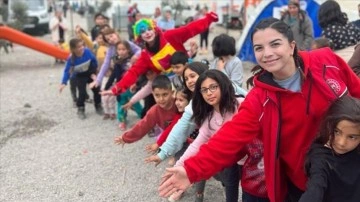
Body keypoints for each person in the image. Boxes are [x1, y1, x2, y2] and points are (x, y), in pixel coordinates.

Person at [158, 17, 360, 202]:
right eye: (259, 48)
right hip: (306, 182)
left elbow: (356, 94)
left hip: (352, 168)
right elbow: (227, 139)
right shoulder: (258, 100)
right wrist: (191, 170)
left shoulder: (326, 62)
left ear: (292, 46)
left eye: (275, 44)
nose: (267, 53)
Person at [100, 12, 218, 96]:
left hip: (191, 75)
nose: (147, 33)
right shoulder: (145, 56)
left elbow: (190, 29)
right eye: (142, 32)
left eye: (148, 29)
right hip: (173, 86)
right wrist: (116, 88)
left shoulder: (169, 36)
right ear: (139, 37)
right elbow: (133, 72)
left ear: (154, 29)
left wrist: (209, 18)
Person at [298, 96, 360, 202]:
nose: (341, 143)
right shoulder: (321, 157)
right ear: (328, 125)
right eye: (336, 132)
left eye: (352, 137)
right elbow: (316, 188)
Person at [113, 75, 178, 145]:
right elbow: (142, 126)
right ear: (153, 94)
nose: (161, 99)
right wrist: (125, 138)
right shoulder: (154, 111)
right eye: (157, 95)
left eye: (165, 94)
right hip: (169, 139)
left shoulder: (179, 103)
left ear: (172, 92)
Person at [144, 87, 191, 166]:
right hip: (186, 142)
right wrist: (159, 144)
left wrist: (158, 145)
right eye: (176, 99)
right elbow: (171, 129)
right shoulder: (180, 115)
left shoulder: (197, 115)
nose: (177, 103)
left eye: (181, 100)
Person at [103, 40, 143, 129]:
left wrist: (137, 84)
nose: (121, 51)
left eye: (124, 49)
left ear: (128, 49)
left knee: (135, 103)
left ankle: (143, 117)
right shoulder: (116, 61)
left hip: (132, 87)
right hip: (120, 88)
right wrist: (107, 87)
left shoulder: (133, 59)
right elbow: (113, 75)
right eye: (119, 49)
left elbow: (138, 73)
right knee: (121, 104)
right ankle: (122, 120)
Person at [59, 38, 103, 119]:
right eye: (79, 47)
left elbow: (94, 60)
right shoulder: (71, 59)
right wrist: (63, 82)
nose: (82, 48)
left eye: (82, 45)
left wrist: (95, 72)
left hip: (90, 73)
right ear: (73, 49)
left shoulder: (87, 51)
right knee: (82, 93)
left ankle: (98, 105)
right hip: (80, 76)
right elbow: (67, 71)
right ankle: (81, 108)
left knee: (97, 89)